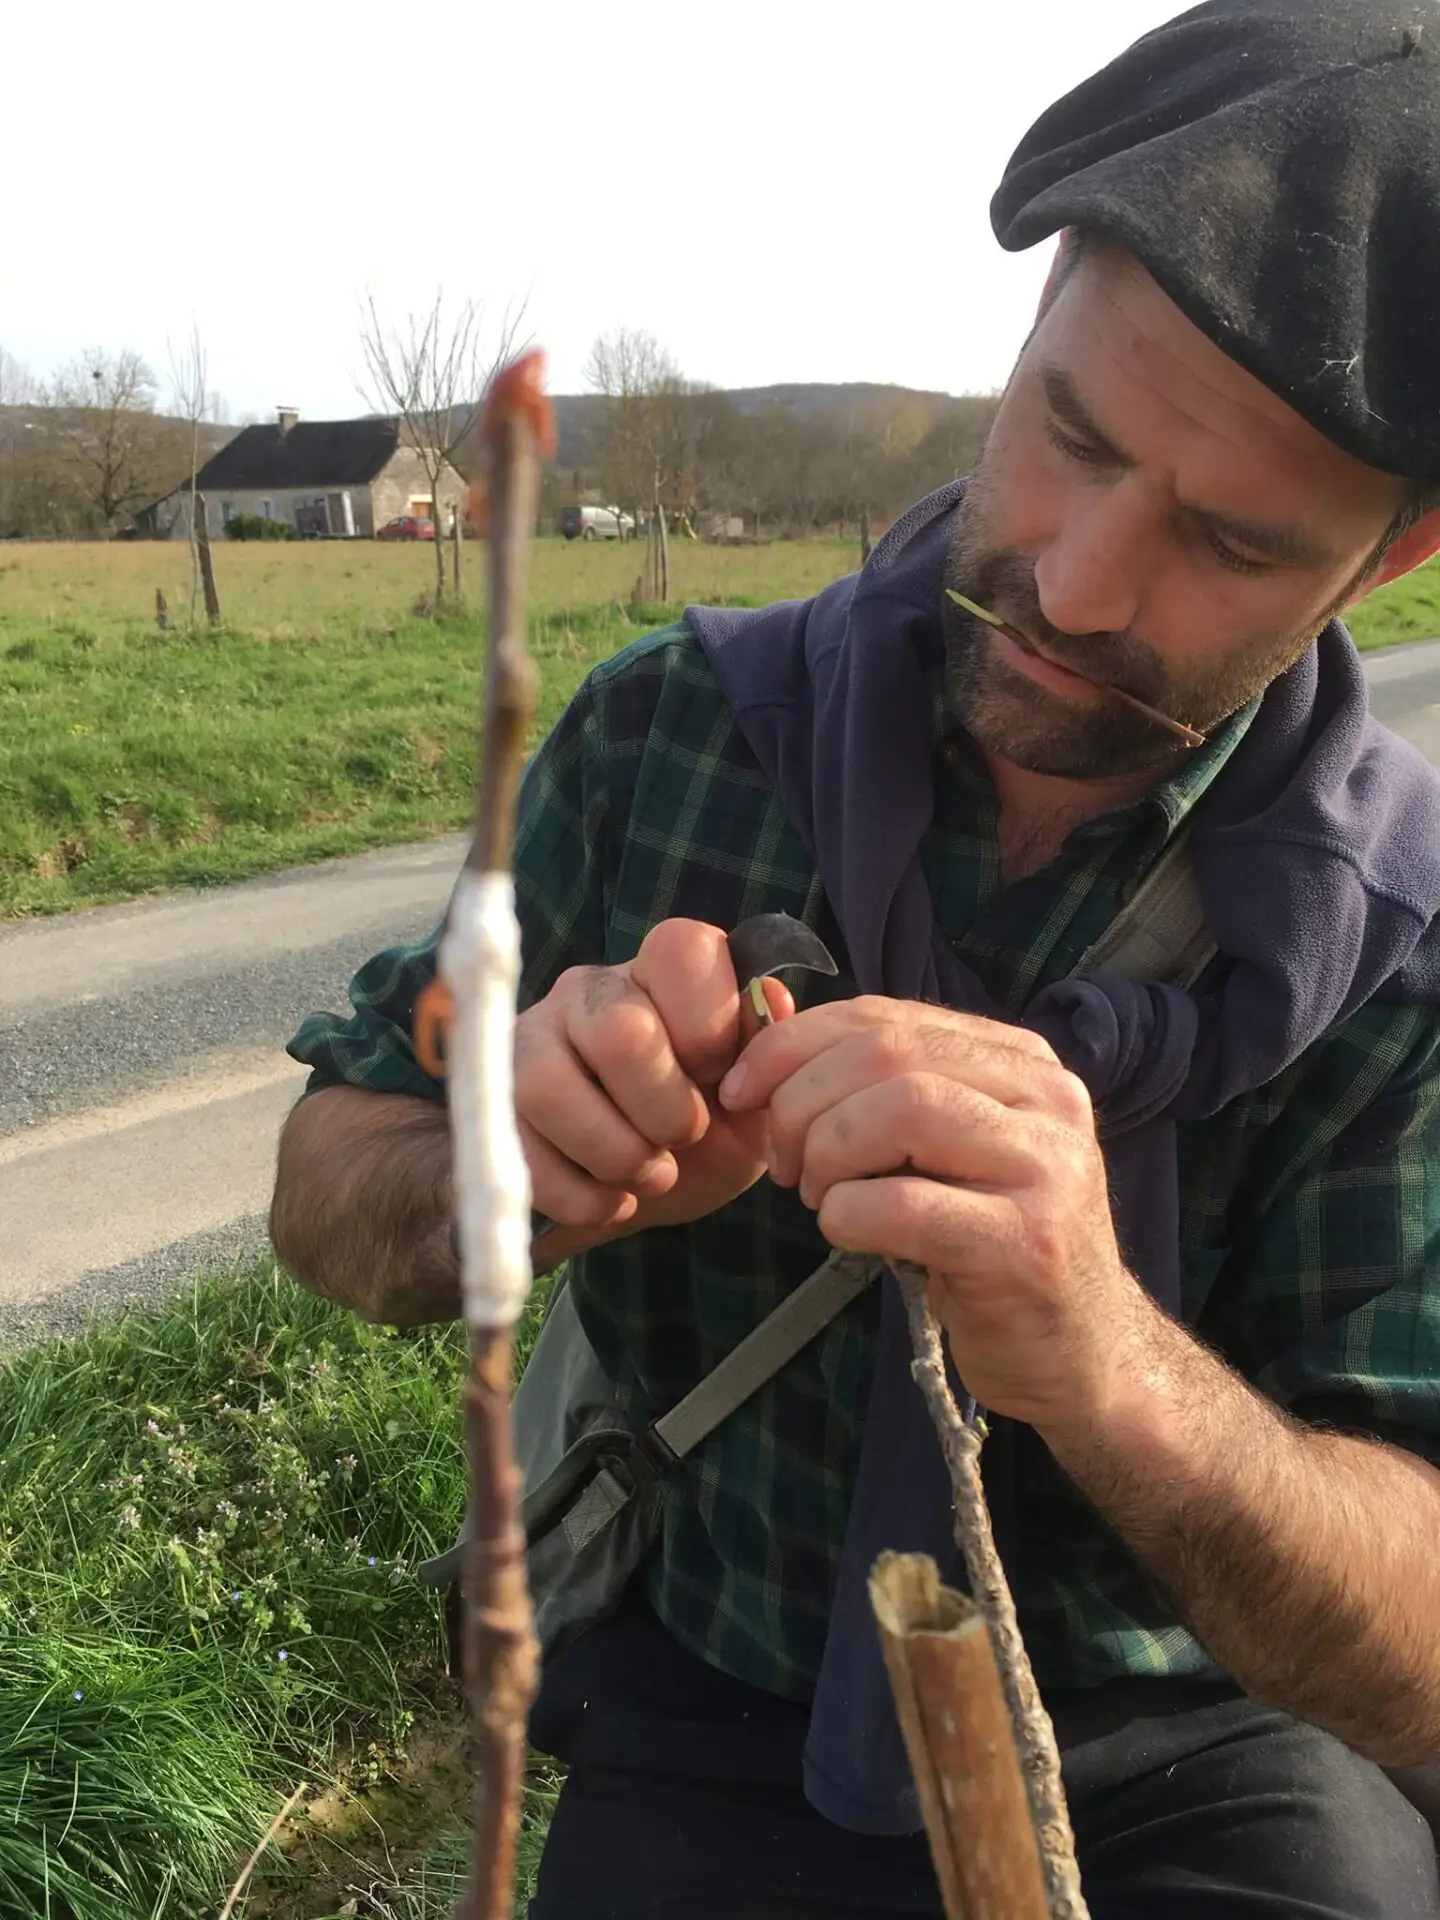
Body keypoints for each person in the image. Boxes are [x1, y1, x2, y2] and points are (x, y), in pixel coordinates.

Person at [271, 3, 1440, 1913]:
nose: (1072, 588)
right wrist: (516, 1165)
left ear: (1392, 559)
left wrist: (1115, 1363)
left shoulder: (1402, 957)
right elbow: (329, 1179)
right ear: (1030, 326)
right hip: (715, 1688)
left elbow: (1419, 1645)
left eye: (1228, 539)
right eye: (1069, 432)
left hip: (1187, 1743)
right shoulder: (674, 732)